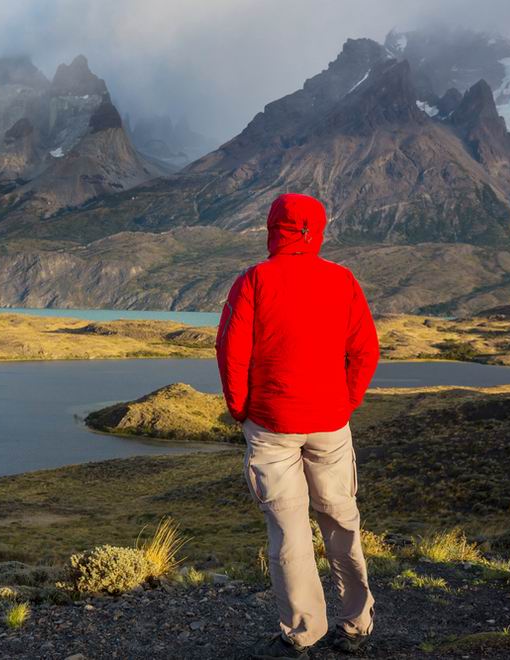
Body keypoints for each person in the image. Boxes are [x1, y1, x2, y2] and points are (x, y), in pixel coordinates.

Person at [216, 193, 379, 659]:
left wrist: (241, 409)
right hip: (329, 425)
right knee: (341, 520)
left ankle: (303, 633)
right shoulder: (342, 281)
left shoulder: (254, 281)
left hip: (271, 426)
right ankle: (357, 624)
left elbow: (231, 353)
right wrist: (342, 403)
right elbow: (365, 351)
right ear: (318, 230)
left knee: (289, 531)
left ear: (273, 228)